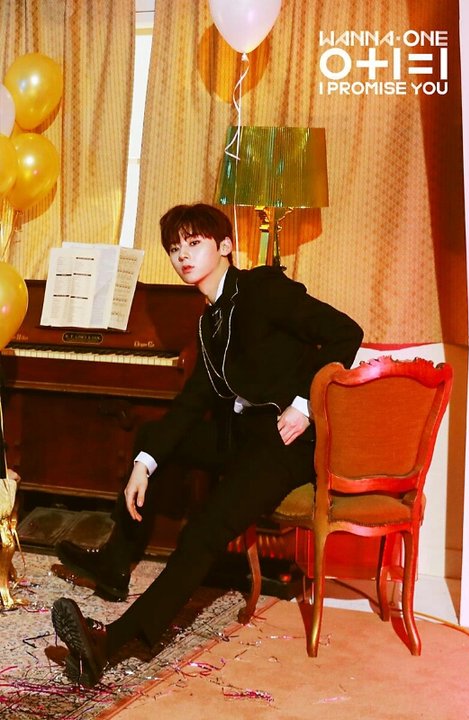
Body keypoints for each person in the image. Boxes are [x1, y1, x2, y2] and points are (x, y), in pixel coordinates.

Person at [51, 202, 363, 687]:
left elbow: (346, 332)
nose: (183, 255)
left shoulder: (262, 289)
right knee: (152, 439)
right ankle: (116, 564)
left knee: (204, 530)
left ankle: (112, 643)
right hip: (242, 435)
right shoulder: (208, 321)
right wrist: (144, 464)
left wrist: (304, 404)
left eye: (194, 243)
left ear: (225, 246)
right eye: (175, 248)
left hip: (286, 443)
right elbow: (193, 400)